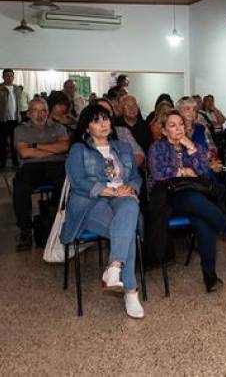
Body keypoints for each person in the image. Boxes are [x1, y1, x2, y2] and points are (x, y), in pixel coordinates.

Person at [148, 110, 226, 293]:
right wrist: (182, 171)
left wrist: (190, 146)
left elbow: (202, 171)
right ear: (163, 131)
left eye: (181, 124)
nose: (178, 128)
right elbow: (157, 173)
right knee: (195, 201)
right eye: (172, 125)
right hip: (167, 200)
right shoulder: (157, 148)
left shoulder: (192, 146)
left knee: (202, 220)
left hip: (192, 197)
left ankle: (210, 276)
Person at [62, 104, 144, 319]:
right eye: (97, 121)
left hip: (121, 197)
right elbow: (78, 181)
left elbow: (136, 177)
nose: (103, 124)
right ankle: (131, 291)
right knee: (125, 233)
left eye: (106, 119)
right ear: (87, 127)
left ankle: (114, 267)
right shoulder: (79, 149)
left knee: (131, 205)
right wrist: (109, 190)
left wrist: (131, 188)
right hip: (91, 201)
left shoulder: (123, 147)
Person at [13, 98, 70, 251]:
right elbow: (24, 153)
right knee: (20, 187)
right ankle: (25, 230)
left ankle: (58, 222)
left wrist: (36, 146)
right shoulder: (21, 130)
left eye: (43, 110)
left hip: (57, 165)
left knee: (67, 183)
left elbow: (64, 146)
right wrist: (52, 149)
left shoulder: (58, 127)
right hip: (31, 167)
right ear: (29, 113)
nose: (40, 114)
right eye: (36, 110)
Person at [96, 98, 145, 168]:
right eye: (100, 111)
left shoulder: (122, 132)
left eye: (108, 112)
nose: (105, 116)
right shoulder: (83, 143)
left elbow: (139, 154)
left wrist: (125, 170)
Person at [0, 68, 21, 168]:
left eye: (11, 75)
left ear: (13, 77)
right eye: (7, 75)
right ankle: (2, 163)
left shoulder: (17, 88)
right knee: (3, 142)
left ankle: (15, 161)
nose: (10, 77)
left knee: (15, 142)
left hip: (15, 119)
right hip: (3, 120)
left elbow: (18, 104)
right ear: (3, 77)